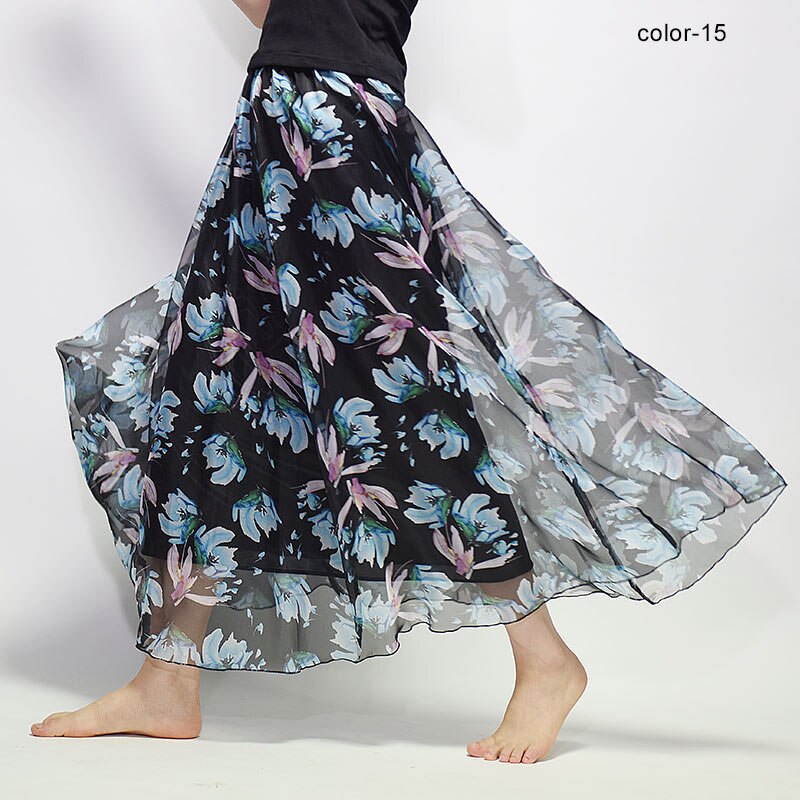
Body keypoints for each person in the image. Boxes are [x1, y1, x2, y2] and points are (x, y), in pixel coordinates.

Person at [32, 0, 787, 765]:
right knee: (212, 387)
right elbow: (280, 12)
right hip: (273, 120)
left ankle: (545, 659)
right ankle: (167, 677)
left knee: (399, 398)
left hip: (332, 124)